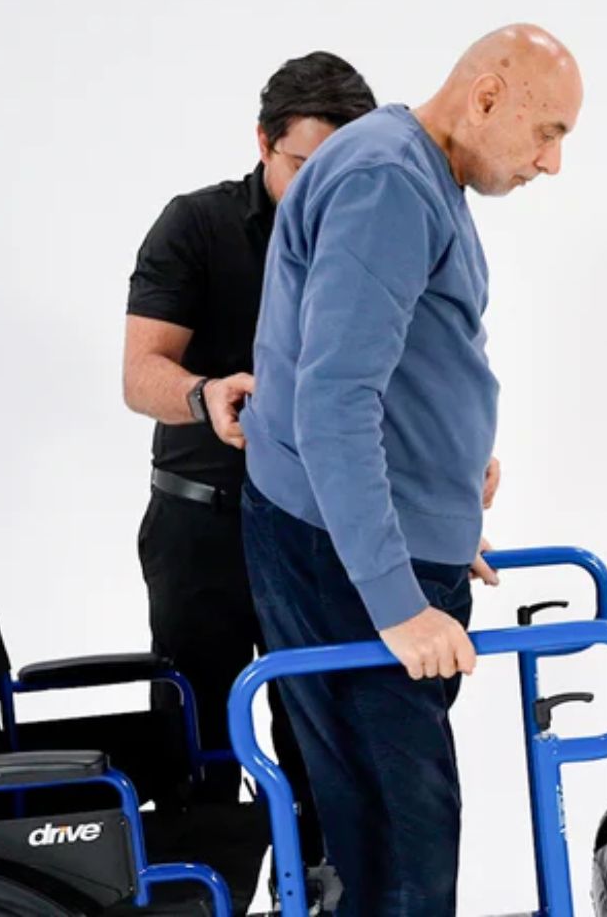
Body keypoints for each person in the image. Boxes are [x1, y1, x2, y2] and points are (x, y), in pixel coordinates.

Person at [239, 24, 583, 916]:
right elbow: (332, 401)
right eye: (548, 132)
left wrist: (441, 505)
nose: (552, 164)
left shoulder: (420, 171)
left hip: (371, 538)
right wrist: (396, 597)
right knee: (401, 851)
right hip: (342, 560)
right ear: (486, 98)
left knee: (400, 836)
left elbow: (414, 361)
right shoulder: (389, 181)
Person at [122, 51, 377, 870]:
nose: (323, 190)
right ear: (263, 143)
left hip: (314, 529)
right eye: (305, 166)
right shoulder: (195, 225)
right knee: (200, 757)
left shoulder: (368, 231)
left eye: (343, 169)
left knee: (323, 746)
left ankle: (319, 897)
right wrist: (204, 396)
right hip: (202, 530)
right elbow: (140, 373)